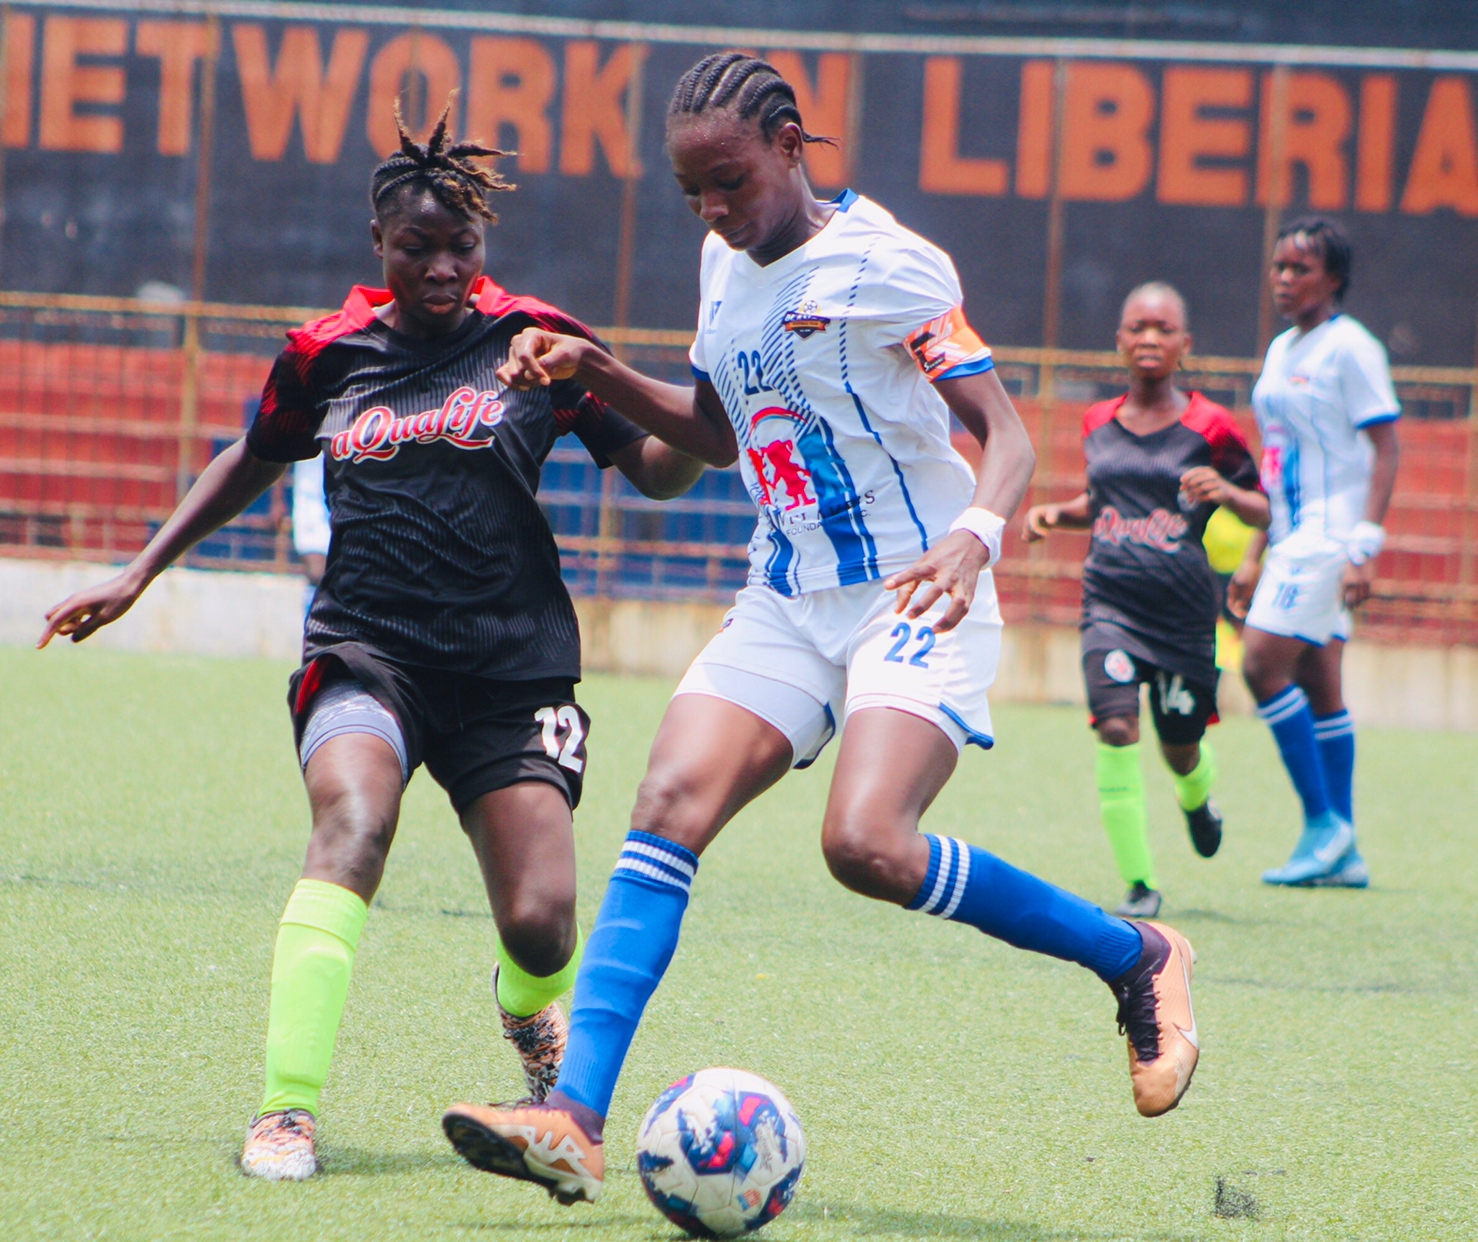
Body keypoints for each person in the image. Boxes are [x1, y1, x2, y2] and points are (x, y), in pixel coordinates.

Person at [437, 53, 1201, 1206]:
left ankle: (1136, 957)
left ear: (790, 146)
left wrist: (979, 533)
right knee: (664, 808)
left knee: (867, 848)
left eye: (731, 183)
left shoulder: (887, 266)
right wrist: (590, 374)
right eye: (693, 191)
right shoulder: (720, 262)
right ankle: (573, 1118)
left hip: (917, 589)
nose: (714, 211)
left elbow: (1004, 434)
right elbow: (705, 432)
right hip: (788, 595)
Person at [37, 105, 703, 1181]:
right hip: (367, 652)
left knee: (541, 927)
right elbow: (250, 459)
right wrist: (138, 570)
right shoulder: (327, 355)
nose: (443, 269)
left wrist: (655, 383)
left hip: (512, 671)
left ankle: (530, 1022)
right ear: (377, 248)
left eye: (462, 248)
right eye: (417, 248)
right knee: (353, 818)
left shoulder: (536, 340)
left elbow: (668, 471)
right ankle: (286, 1112)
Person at [1023, 283, 1268, 919]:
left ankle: (1197, 796)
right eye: (1138, 327)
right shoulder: (1097, 421)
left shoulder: (1211, 425)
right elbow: (1103, 503)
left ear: (1185, 345)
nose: (1150, 338)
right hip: (1109, 603)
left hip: (1184, 612)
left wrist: (1227, 492)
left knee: (1178, 745)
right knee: (1115, 727)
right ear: (1120, 342)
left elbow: (1266, 505)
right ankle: (1138, 884)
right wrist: (1057, 512)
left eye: (1163, 328)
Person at [1228, 217, 1401, 887]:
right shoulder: (1280, 352)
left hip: (1330, 537)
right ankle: (1346, 851)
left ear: (1333, 278)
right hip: (1292, 534)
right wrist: (1256, 550)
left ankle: (1322, 823)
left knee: (1261, 663)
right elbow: (1277, 464)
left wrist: (1365, 545)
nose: (1284, 279)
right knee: (1321, 683)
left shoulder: (1351, 349)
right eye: (1278, 267)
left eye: (1299, 268)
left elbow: (1387, 448)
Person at [291, 455, 329, 616]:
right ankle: (312, 627)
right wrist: (277, 500)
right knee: (317, 573)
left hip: (343, 499)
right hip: (310, 500)